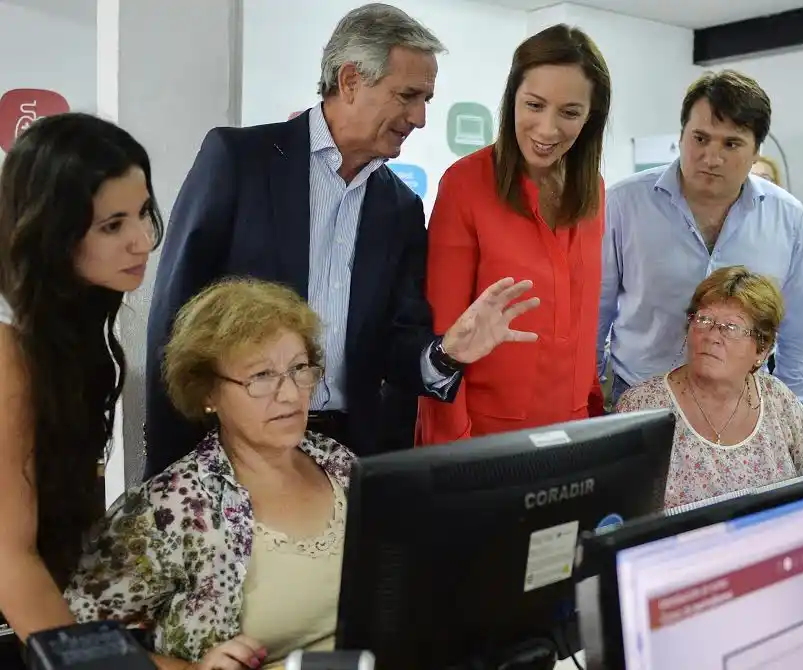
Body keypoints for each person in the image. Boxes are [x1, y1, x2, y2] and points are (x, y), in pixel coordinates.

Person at [144, 3, 539, 477]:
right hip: (234, 449)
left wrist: (447, 351)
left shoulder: (401, 208)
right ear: (351, 80)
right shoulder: (239, 161)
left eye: (427, 100)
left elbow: (397, 342)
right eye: (408, 96)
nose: (420, 118)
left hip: (349, 458)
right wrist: (169, 461)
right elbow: (175, 318)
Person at [67, 279, 357, 669]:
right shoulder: (171, 507)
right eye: (261, 377)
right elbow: (72, 641)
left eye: (299, 369)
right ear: (207, 394)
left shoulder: (338, 463)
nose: (289, 395)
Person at [0, 113, 161, 641]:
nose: (142, 241)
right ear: (53, 231)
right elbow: (11, 559)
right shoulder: (9, 350)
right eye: (112, 226)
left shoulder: (74, 322)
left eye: (141, 214)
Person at [416, 24, 610, 445]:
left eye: (570, 112)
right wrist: (451, 453)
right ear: (512, 100)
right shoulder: (465, 184)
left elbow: (582, 322)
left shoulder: (592, 188)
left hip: (573, 431)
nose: (547, 128)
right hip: (484, 437)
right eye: (535, 105)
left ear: (590, 116)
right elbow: (443, 341)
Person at [598, 70, 803, 407]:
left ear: (756, 151)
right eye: (700, 138)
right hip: (641, 402)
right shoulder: (623, 204)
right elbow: (593, 317)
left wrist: (792, 414)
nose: (712, 158)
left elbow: (798, 335)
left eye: (731, 144)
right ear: (682, 135)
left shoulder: (788, 219)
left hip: (744, 412)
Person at [616, 266, 803, 509]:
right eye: (704, 320)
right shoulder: (642, 406)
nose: (712, 336)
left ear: (761, 349)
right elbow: (614, 514)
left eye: (731, 328)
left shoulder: (777, 398)